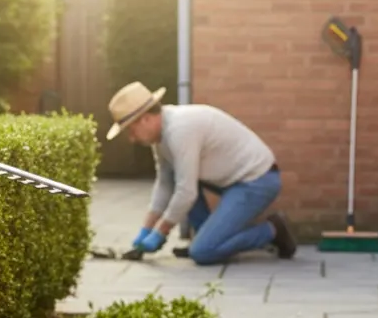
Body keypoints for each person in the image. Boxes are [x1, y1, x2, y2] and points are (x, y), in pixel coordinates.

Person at [106, 81, 298, 265]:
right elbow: (165, 183)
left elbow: (186, 192)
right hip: (232, 180)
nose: (131, 139)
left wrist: (161, 233)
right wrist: (145, 230)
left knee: (203, 252)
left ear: (146, 119)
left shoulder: (180, 130)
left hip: (258, 181)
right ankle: (208, 237)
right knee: (177, 176)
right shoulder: (161, 136)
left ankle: (272, 230)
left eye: (131, 131)